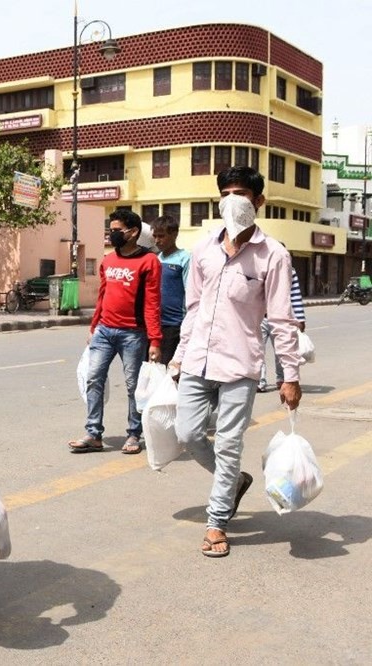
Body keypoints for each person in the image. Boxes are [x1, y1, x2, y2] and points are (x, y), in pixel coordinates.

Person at [171, 165, 302, 558]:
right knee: (188, 435)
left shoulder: (273, 255)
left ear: (258, 201)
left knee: (228, 444)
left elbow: (282, 319)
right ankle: (234, 482)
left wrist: (289, 376)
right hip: (197, 359)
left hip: (241, 366)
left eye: (241, 193)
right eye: (226, 193)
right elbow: (192, 308)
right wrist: (179, 357)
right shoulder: (204, 249)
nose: (233, 201)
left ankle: (216, 523)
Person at [69, 209, 162, 455]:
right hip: (104, 331)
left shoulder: (149, 261)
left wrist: (154, 340)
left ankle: (133, 434)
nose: (112, 235)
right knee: (93, 378)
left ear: (133, 232)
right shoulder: (108, 260)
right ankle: (93, 433)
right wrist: (93, 327)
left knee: (134, 386)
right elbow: (102, 297)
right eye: (110, 230)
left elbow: (152, 302)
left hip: (133, 334)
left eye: (117, 230)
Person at [258, 265, 305, 392]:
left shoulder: (290, 271)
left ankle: (281, 379)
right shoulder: (260, 267)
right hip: (259, 317)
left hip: (281, 318)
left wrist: (300, 319)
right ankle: (259, 382)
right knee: (257, 350)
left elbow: (295, 295)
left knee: (281, 351)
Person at [151, 215, 190, 366]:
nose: (157, 241)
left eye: (161, 236)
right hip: (154, 325)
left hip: (174, 325)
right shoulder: (154, 259)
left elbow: (190, 291)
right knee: (152, 369)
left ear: (174, 235)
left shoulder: (185, 259)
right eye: (154, 236)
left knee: (170, 370)